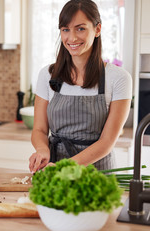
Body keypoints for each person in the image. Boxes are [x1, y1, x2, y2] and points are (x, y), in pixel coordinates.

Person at [28, 0, 132, 172]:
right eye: (65, 29)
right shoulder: (47, 74)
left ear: (97, 29)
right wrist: (42, 149)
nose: (72, 38)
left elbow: (107, 142)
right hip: (54, 173)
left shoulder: (119, 78)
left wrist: (66, 168)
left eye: (81, 28)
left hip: (96, 176)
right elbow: (39, 129)